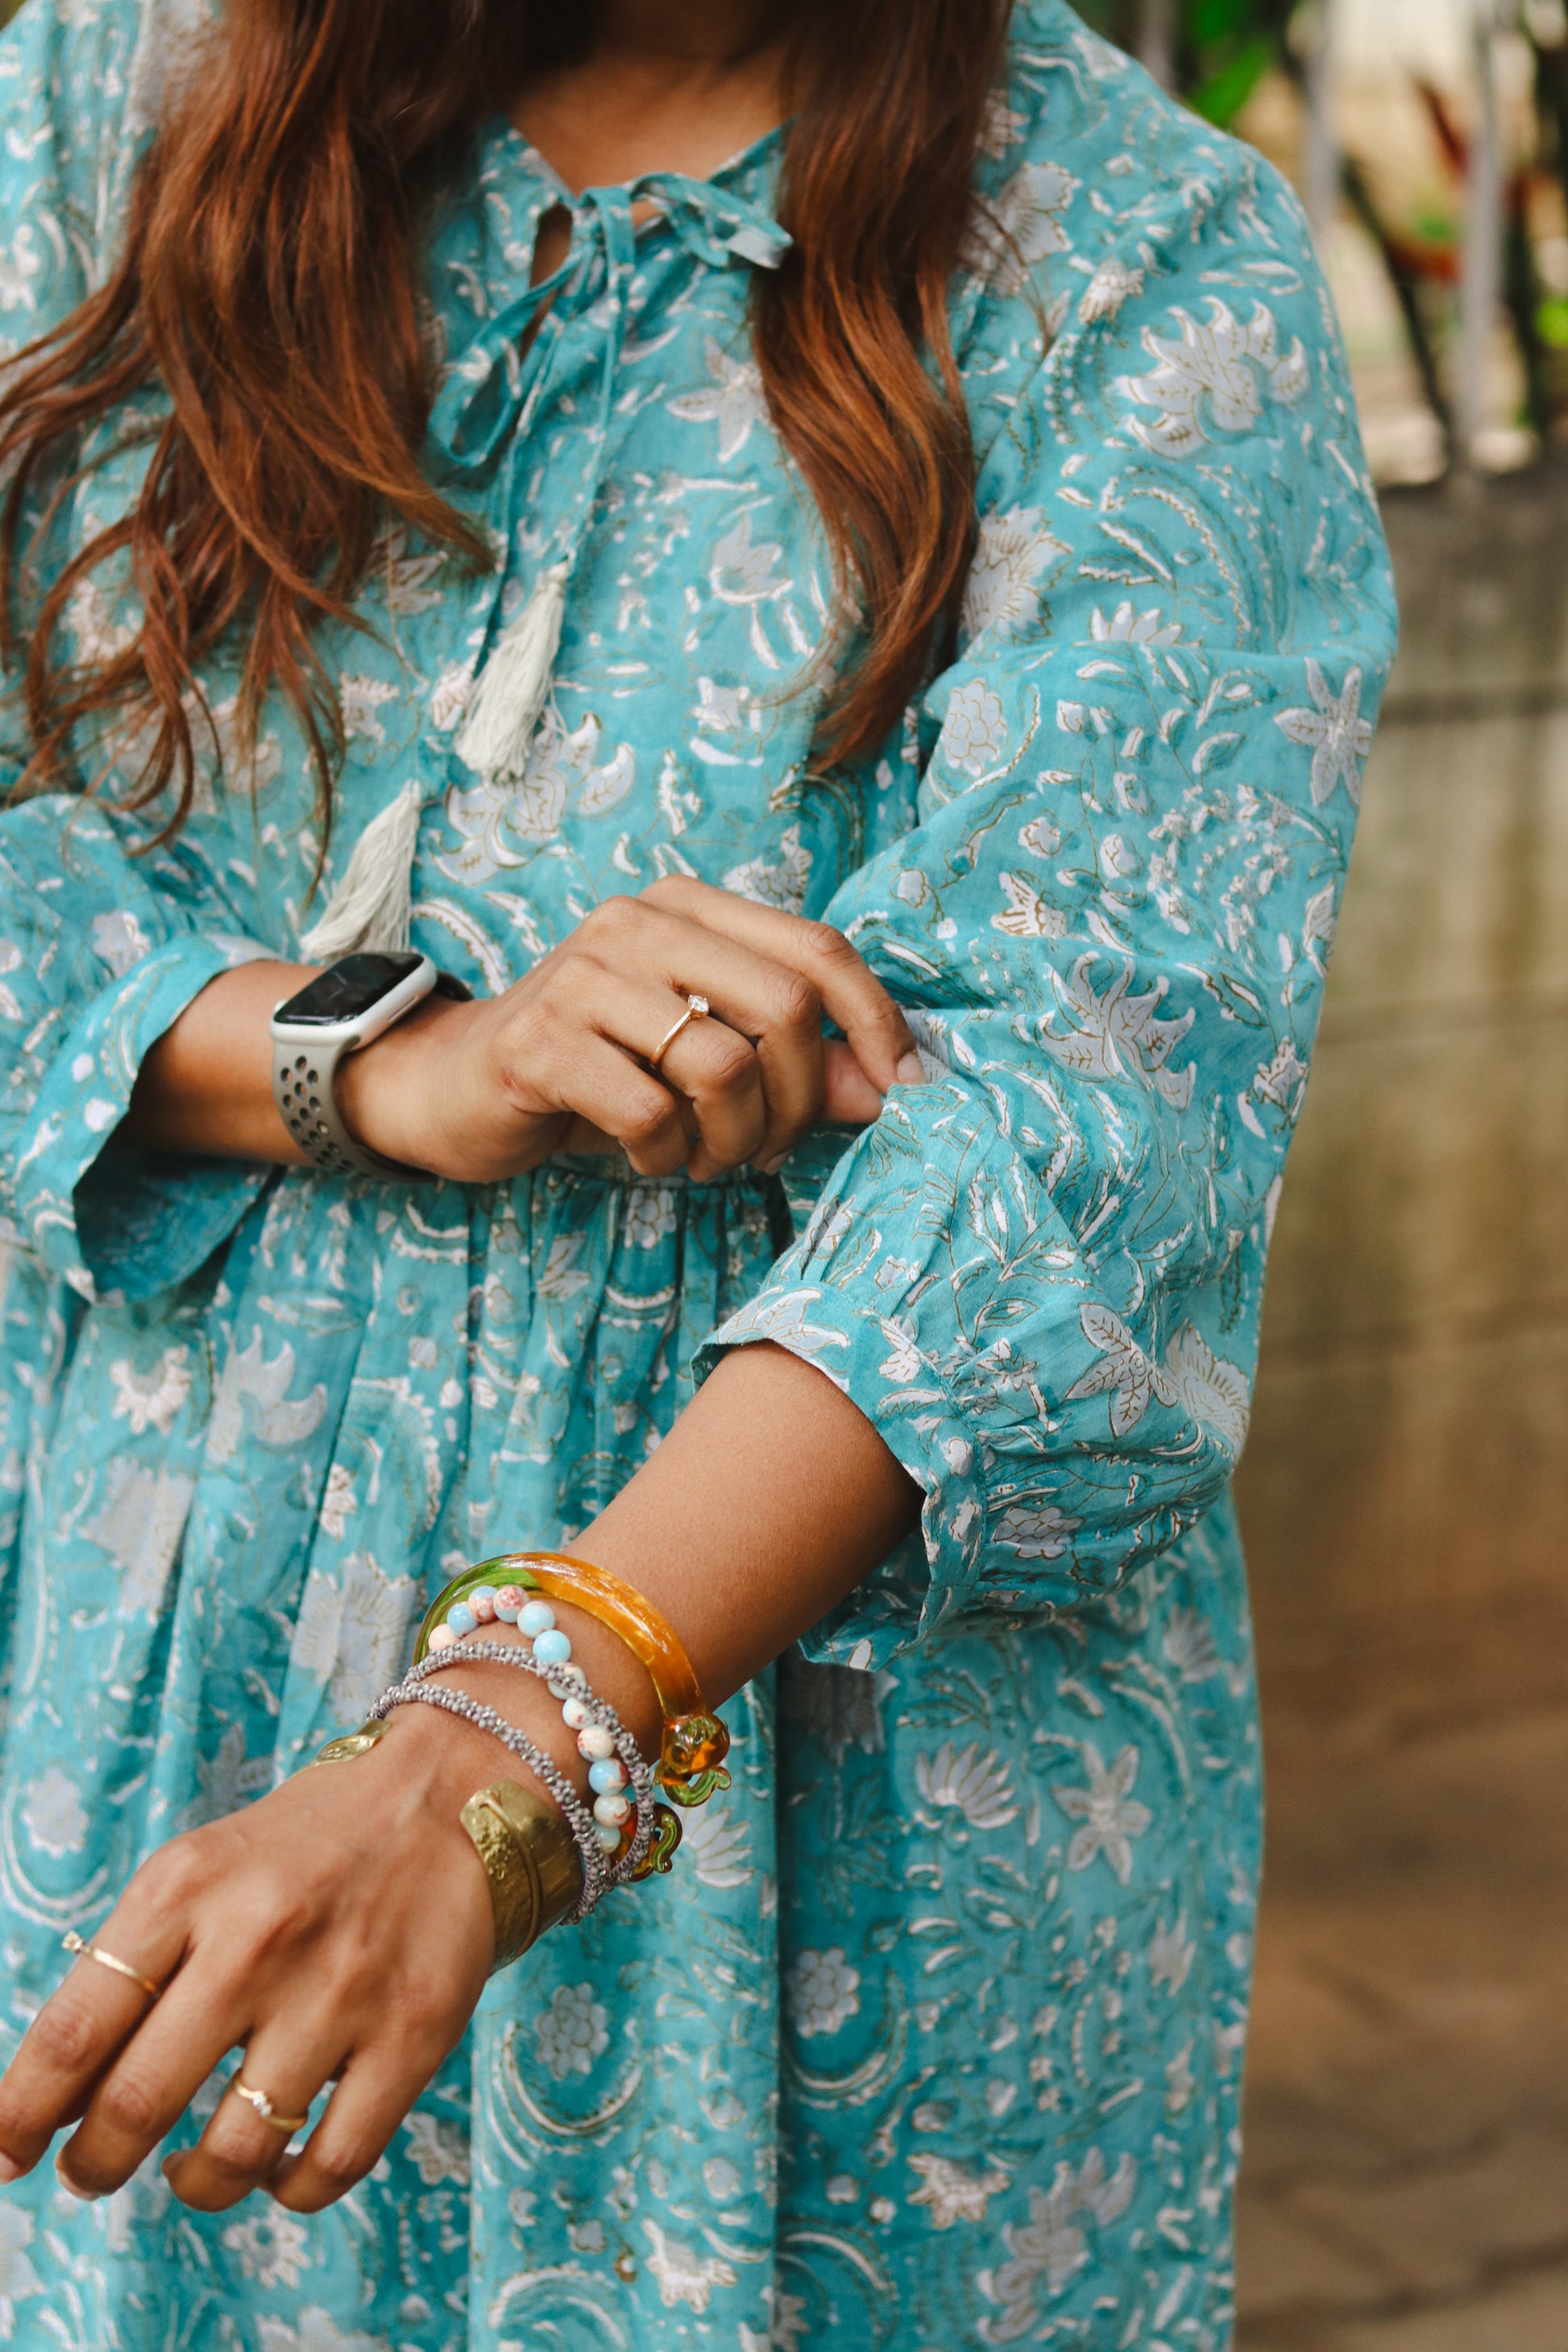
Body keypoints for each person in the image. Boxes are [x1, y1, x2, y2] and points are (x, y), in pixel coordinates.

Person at [0, 0, 1396, 2342]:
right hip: (143, 1685)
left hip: (833, 1787)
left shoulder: (1133, 263)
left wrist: (510, 1728)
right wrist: (383, 1066)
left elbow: (1091, 1126)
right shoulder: (88, 93)